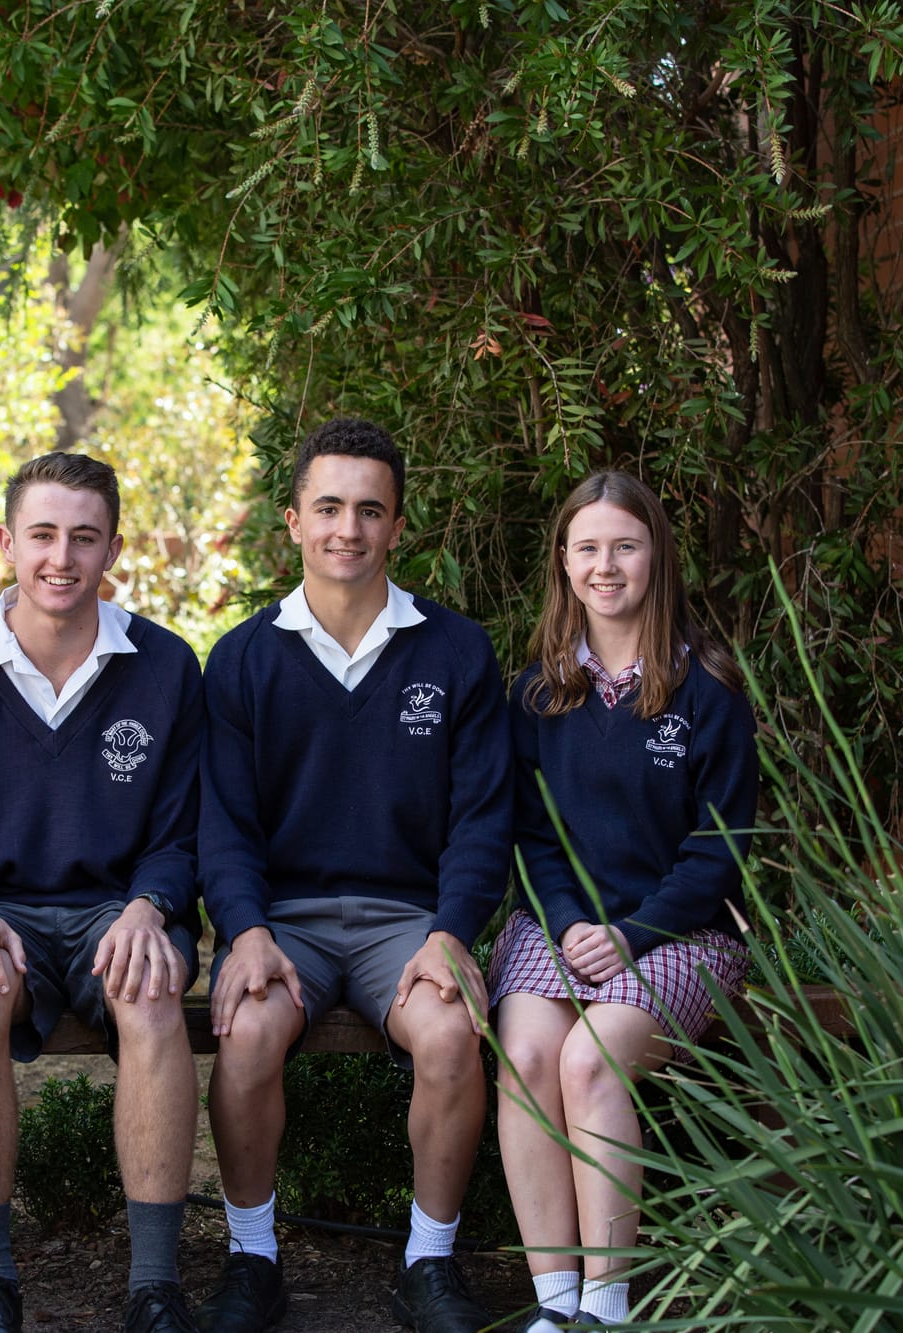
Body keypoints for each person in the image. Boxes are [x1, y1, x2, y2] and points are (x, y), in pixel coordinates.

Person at [197, 418, 512, 1333]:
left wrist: (453, 931)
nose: (348, 528)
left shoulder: (456, 652)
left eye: (369, 510)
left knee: (453, 1034)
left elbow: (483, 816)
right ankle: (254, 1256)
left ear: (397, 526)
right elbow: (224, 822)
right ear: (291, 520)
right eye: (328, 507)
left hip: (408, 921)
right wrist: (246, 926)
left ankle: (431, 1260)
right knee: (248, 1031)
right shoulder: (245, 658)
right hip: (283, 918)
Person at [0, 452, 205, 1333]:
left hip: (123, 905)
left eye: (83, 536)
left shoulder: (166, 666)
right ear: (7, 543)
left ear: (113, 548)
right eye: (42, 534)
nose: (60, 557)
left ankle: (154, 1285)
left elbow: (184, 836)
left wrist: (150, 904)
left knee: (150, 993)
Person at [487, 471, 758, 1332]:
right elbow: (529, 836)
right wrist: (569, 923)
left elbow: (718, 850)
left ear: (656, 557)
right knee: (529, 1055)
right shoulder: (537, 693)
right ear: (565, 562)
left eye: (625, 547)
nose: (607, 566)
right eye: (588, 548)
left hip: (681, 931)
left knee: (589, 1060)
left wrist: (632, 934)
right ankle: (555, 1306)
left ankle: (606, 1308)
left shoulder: (706, 688)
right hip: (558, 921)